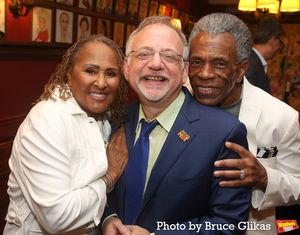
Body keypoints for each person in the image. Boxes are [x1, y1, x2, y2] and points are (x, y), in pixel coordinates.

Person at [102, 16, 251, 235]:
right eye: (143, 54)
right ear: (126, 67)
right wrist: (108, 217)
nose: (155, 64)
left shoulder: (223, 132)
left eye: (169, 56)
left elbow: (228, 223)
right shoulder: (114, 119)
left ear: (184, 70)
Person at [3, 34, 128, 235]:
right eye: (91, 71)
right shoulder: (47, 120)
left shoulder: (106, 117)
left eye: (111, 73)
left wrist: (107, 220)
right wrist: (110, 176)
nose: (102, 82)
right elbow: (56, 217)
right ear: (69, 74)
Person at [188, 13, 300, 235]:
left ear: (241, 69)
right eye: (197, 62)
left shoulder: (280, 117)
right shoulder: (175, 101)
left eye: (219, 64)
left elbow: (297, 185)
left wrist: (264, 177)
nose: (205, 74)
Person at [246, 17, 284, 94]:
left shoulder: (254, 60)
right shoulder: (250, 65)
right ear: (273, 41)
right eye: (280, 43)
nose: (279, 48)